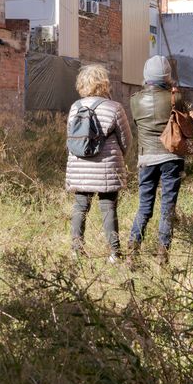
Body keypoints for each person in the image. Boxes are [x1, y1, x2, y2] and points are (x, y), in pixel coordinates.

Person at [66, 64, 132, 263]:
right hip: (107, 167)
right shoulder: (114, 107)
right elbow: (126, 140)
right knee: (108, 207)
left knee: (80, 207)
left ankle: (77, 250)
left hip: (80, 166)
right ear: (104, 84)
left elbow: (70, 138)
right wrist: (121, 156)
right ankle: (114, 253)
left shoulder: (75, 107)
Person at [128, 55, 190, 264]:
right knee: (168, 206)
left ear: (146, 75)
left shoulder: (135, 99)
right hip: (171, 156)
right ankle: (163, 254)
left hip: (146, 157)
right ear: (167, 75)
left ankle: (132, 251)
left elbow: (138, 124)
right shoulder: (176, 98)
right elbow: (184, 124)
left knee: (145, 206)